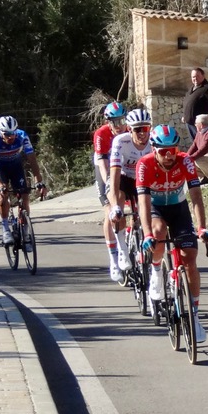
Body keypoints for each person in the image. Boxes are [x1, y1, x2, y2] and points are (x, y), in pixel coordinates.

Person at [136, 125, 208, 342]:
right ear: (153, 149)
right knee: (158, 232)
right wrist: (147, 234)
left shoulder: (185, 161)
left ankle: (195, 317)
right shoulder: (145, 165)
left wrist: (202, 227)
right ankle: (155, 272)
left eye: (172, 149)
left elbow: (196, 197)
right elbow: (143, 203)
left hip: (179, 209)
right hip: (156, 209)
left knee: (190, 257)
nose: (169, 155)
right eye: (163, 151)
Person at [0, 115, 47, 245]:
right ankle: (5, 229)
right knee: (3, 196)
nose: (11, 136)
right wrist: (0, 185)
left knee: (25, 196)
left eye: (13, 133)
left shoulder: (22, 136)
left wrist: (39, 181)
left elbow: (32, 159)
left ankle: (25, 231)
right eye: (7, 134)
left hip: (15, 166)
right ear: (1, 132)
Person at [108, 108, 155, 281]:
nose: (142, 133)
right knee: (118, 203)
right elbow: (114, 176)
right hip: (124, 178)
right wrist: (114, 207)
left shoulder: (153, 142)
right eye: (137, 129)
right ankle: (122, 249)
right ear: (129, 129)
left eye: (145, 128)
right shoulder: (121, 141)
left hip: (144, 180)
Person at [92, 102, 128, 280]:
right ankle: (114, 259)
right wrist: (109, 183)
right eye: (115, 122)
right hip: (105, 167)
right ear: (108, 122)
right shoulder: (101, 134)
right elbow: (102, 163)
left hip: (123, 166)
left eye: (122, 120)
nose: (119, 125)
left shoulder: (130, 131)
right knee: (110, 210)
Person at [182, 67, 208, 142]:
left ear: (203, 76)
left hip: (201, 124)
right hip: (190, 123)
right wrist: (185, 116)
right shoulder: (192, 88)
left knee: (202, 143)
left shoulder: (207, 87)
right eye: (193, 77)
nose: (195, 79)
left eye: (197, 76)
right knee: (195, 143)